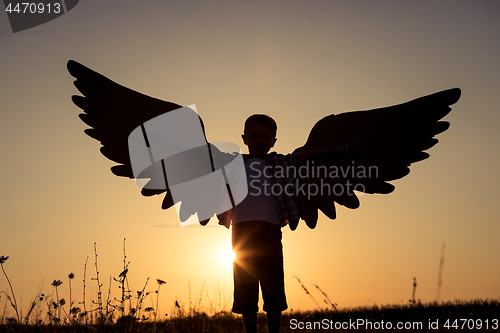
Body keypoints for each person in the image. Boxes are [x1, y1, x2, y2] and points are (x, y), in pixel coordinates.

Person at [218, 114, 369, 333]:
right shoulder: (233, 162)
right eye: (254, 136)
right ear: (244, 138)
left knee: (273, 284)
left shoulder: (280, 161)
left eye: (266, 137)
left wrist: (347, 147)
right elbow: (206, 160)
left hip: (270, 229)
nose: (260, 140)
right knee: (244, 284)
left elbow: (312, 154)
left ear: (274, 141)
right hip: (241, 231)